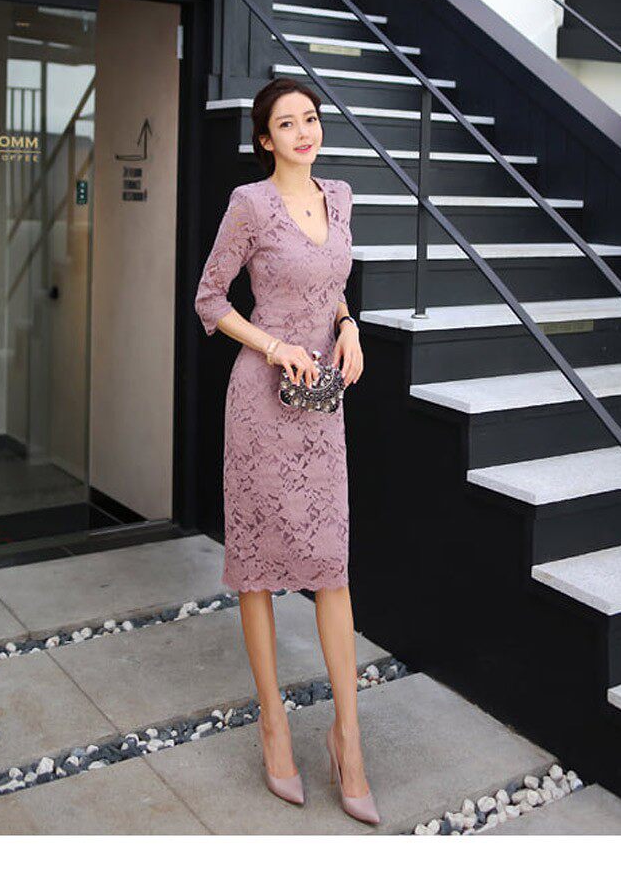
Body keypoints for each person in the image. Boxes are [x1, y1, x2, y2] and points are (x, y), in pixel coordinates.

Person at [194, 77, 379, 825]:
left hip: (321, 405)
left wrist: (349, 326)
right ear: (264, 139)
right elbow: (210, 298)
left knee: (332, 565)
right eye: (287, 123)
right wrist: (274, 346)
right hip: (261, 404)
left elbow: (330, 283)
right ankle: (273, 723)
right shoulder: (250, 203)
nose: (304, 131)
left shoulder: (341, 197)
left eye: (311, 118)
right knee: (259, 567)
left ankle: (347, 738)